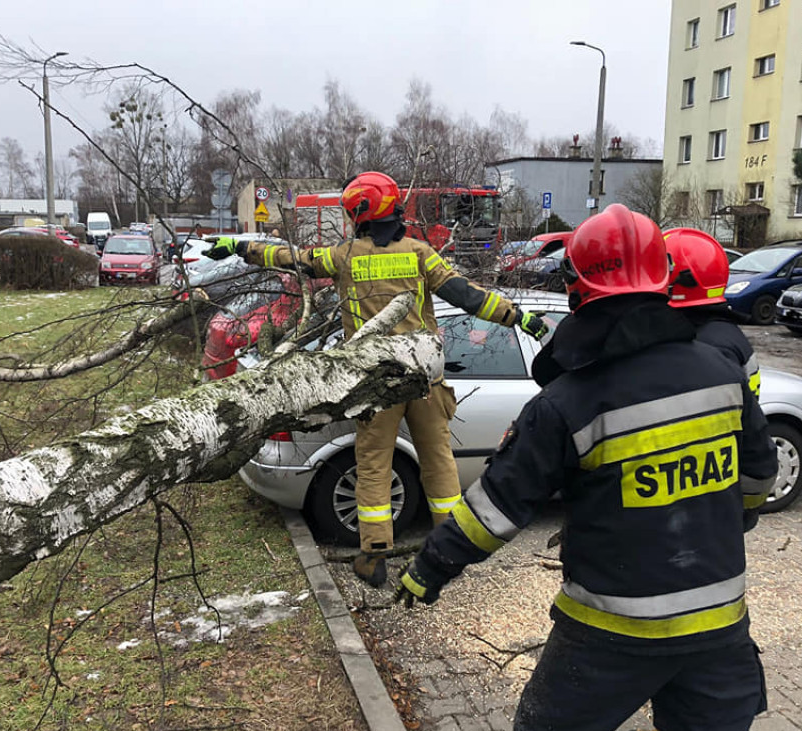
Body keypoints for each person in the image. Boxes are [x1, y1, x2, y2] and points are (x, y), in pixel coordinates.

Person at [395, 204, 779, 731]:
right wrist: (722, 517)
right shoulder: (723, 373)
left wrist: (430, 569)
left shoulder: (565, 404)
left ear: (577, 288)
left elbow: (494, 512)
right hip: (719, 623)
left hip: (610, 630)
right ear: (662, 280)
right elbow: (759, 477)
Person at [204, 171, 548, 587]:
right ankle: (447, 548)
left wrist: (242, 248)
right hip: (423, 375)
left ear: (357, 215)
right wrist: (518, 316)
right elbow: (466, 295)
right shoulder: (421, 253)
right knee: (438, 461)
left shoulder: (344, 256)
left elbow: (295, 259)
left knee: (373, 464)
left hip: (375, 380)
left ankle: (374, 554)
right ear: (394, 208)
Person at [621, 227, 764, 731]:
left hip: (686, 503)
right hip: (716, 501)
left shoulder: (698, 348)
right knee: (713, 630)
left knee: (692, 632)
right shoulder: (733, 340)